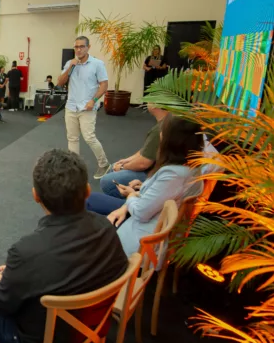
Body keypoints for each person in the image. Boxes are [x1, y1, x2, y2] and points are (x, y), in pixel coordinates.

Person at [0, 149, 127, 343]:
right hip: (91, 333)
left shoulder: (28, 251)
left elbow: (1, 306)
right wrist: (20, 273)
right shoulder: (106, 228)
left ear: (36, 196)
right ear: (87, 191)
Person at [86, 114, 204, 257]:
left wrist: (130, 196)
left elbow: (141, 213)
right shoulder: (192, 167)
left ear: (173, 140)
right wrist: (142, 188)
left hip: (142, 237)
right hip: (153, 221)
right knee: (92, 199)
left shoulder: (174, 175)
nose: (160, 135)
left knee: (88, 201)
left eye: (164, 131)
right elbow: (163, 196)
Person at [57, 36, 110, 179]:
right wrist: (70, 67)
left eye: (82, 46)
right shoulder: (70, 63)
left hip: (87, 107)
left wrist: (94, 100)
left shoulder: (97, 64)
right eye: (76, 47)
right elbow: (60, 82)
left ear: (88, 47)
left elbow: (104, 85)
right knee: (72, 138)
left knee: (89, 137)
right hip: (71, 106)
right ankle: (74, 168)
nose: (79, 49)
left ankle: (104, 164)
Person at [99, 104, 167, 198]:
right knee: (113, 167)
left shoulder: (161, 129)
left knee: (107, 182)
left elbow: (144, 163)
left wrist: (123, 167)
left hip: (156, 174)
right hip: (159, 170)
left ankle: (129, 205)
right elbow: (146, 150)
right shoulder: (166, 122)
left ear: (155, 105)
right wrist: (127, 160)